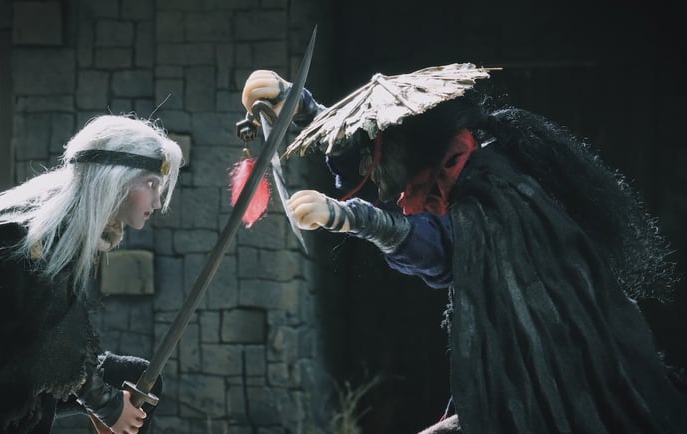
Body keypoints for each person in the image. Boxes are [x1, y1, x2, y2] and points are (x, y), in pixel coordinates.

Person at [241, 69, 687, 433]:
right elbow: (368, 151)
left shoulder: (497, 188)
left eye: (377, 153)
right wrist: (302, 108)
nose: (370, 173)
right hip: (511, 380)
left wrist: (355, 218)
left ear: (402, 144)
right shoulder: (442, 168)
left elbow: (447, 247)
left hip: (564, 382)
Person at [0, 115, 182, 434]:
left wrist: (105, 403)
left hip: (14, 363)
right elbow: (53, 345)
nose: (157, 201)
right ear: (115, 179)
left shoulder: (60, 226)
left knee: (133, 375)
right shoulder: (42, 237)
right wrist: (109, 407)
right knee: (52, 397)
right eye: (151, 184)